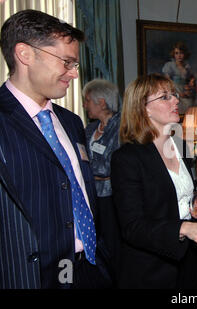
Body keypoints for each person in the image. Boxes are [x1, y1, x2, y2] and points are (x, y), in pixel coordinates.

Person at [0, 9, 111, 288]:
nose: (73, 74)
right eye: (67, 62)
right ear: (25, 54)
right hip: (32, 277)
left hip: (89, 268)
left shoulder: (71, 121)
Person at [111, 73, 197, 288]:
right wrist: (184, 228)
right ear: (143, 108)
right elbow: (132, 227)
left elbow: (176, 195)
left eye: (174, 94)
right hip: (150, 270)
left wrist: (195, 203)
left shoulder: (181, 145)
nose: (176, 99)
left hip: (188, 261)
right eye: (165, 97)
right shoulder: (127, 158)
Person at [82, 78, 121, 277]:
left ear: (102, 102)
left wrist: (93, 172)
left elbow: (115, 165)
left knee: (115, 247)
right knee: (98, 247)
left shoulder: (123, 126)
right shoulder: (89, 129)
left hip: (115, 198)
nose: (84, 105)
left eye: (87, 100)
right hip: (92, 197)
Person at [162, 41, 197, 114]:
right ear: (173, 54)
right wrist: (177, 93)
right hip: (174, 89)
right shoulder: (170, 65)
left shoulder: (187, 66)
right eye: (176, 53)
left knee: (189, 105)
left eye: (181, 53)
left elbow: (192, 77)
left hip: (184, 90)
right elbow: (167, 82)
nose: (179, 55)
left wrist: (191, 83)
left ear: (185, 54)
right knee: (177, 106)